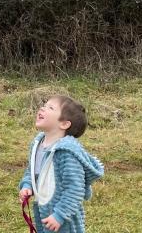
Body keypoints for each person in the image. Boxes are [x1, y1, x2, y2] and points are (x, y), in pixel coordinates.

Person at [18, 95, 104, 233]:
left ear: (64, 124)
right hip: (43, 211)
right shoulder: (38, 144)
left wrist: (59, 215)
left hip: (65, 220)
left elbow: (74, 189)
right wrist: (27, 185)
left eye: (50, 108)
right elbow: (33, 171)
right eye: (44, 105)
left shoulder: (66, 152)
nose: (42, 108)